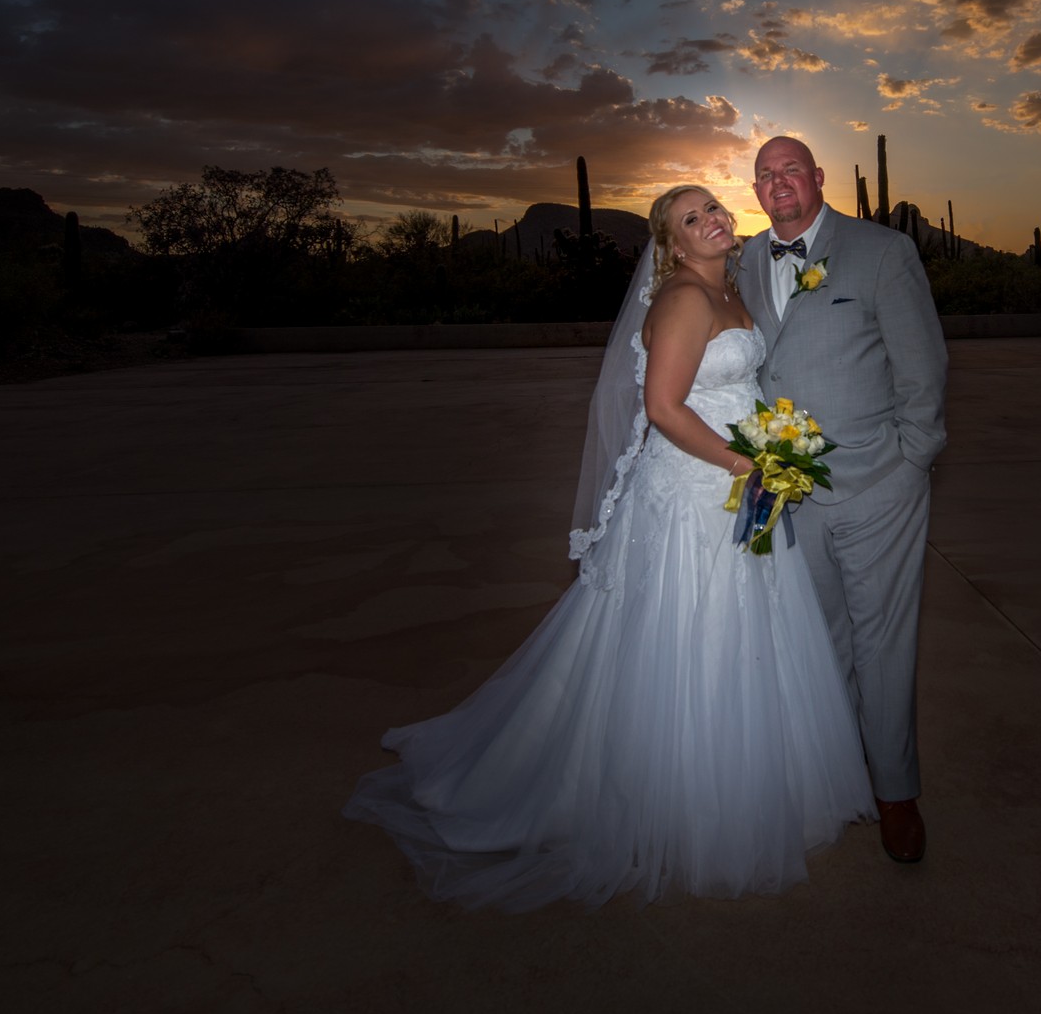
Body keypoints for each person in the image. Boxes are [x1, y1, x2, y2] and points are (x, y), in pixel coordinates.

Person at [344, 184, 873, 910]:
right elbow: (662, 407)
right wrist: (750, 465)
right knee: (693, 631)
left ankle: (743, 782)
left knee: (749, 630)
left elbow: (740, 384)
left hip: (737, 486)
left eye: (714, 206)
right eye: (692, 218)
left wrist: (772, 451)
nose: (712, 219)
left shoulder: (731, 292)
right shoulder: (686, 298)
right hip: (696, 493)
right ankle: (676, 803)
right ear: (674, 244)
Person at [740, 136, 948, 863]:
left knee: (881, 640)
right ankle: (835, 777)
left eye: (790, 168)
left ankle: (896, 792)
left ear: (819, 178)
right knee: (817, 641)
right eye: (765, 174)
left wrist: (910, 461)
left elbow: (923, 368)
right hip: (789, 491)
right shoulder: (739, 262)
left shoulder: (882, 251)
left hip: (878, 487)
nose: (778, 183)